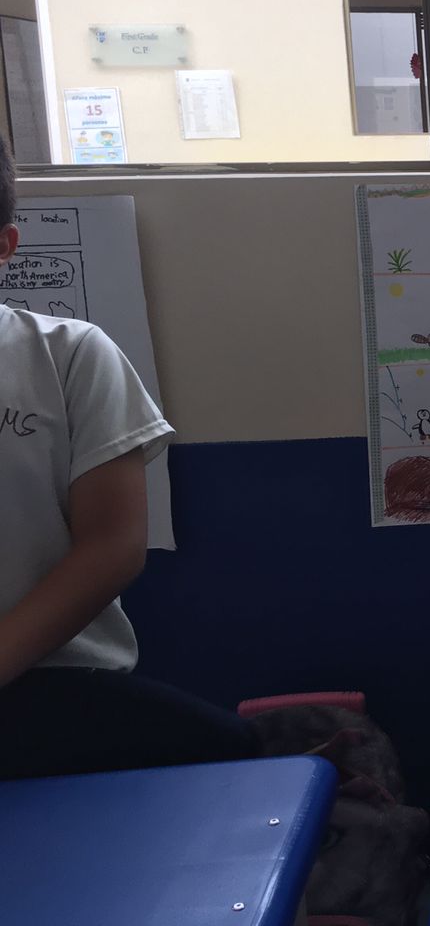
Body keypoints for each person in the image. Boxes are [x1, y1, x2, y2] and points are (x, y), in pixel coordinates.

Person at [0, 134, 257, 776]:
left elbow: (112, 548)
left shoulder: (68, 355)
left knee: (233, 752)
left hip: (55, 681)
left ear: (5, 246)